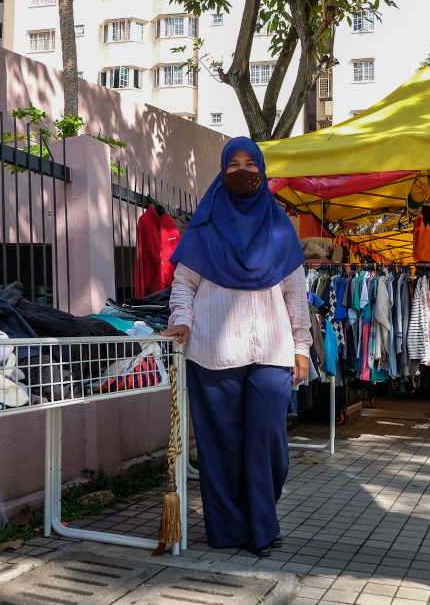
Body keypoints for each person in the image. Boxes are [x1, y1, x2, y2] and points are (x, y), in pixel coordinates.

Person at [162, 136, 312, 558]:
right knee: (221, 444)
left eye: (251, 163)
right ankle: (238, 530)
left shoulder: (280, 227)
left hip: (272, 352)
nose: (242, 171)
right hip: (211, 350)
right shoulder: (205, 226)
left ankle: (260, 517)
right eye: (234, 164)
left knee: (268, 443)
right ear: (222, 171)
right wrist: (181, 322)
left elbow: (295, 294)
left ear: (262, 172)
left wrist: (302, 347)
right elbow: (183, 286)